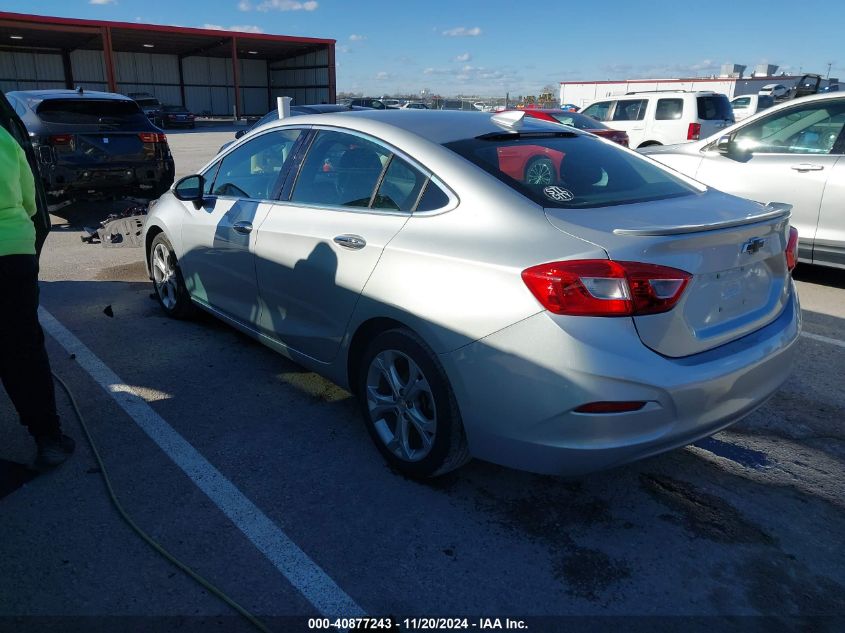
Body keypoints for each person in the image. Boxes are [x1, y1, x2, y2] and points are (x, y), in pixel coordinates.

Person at [0, 124, 74, 469]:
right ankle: (49, 439)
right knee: (23, 349)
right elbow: (31, 201)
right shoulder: (4, 138)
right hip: (13, 254)